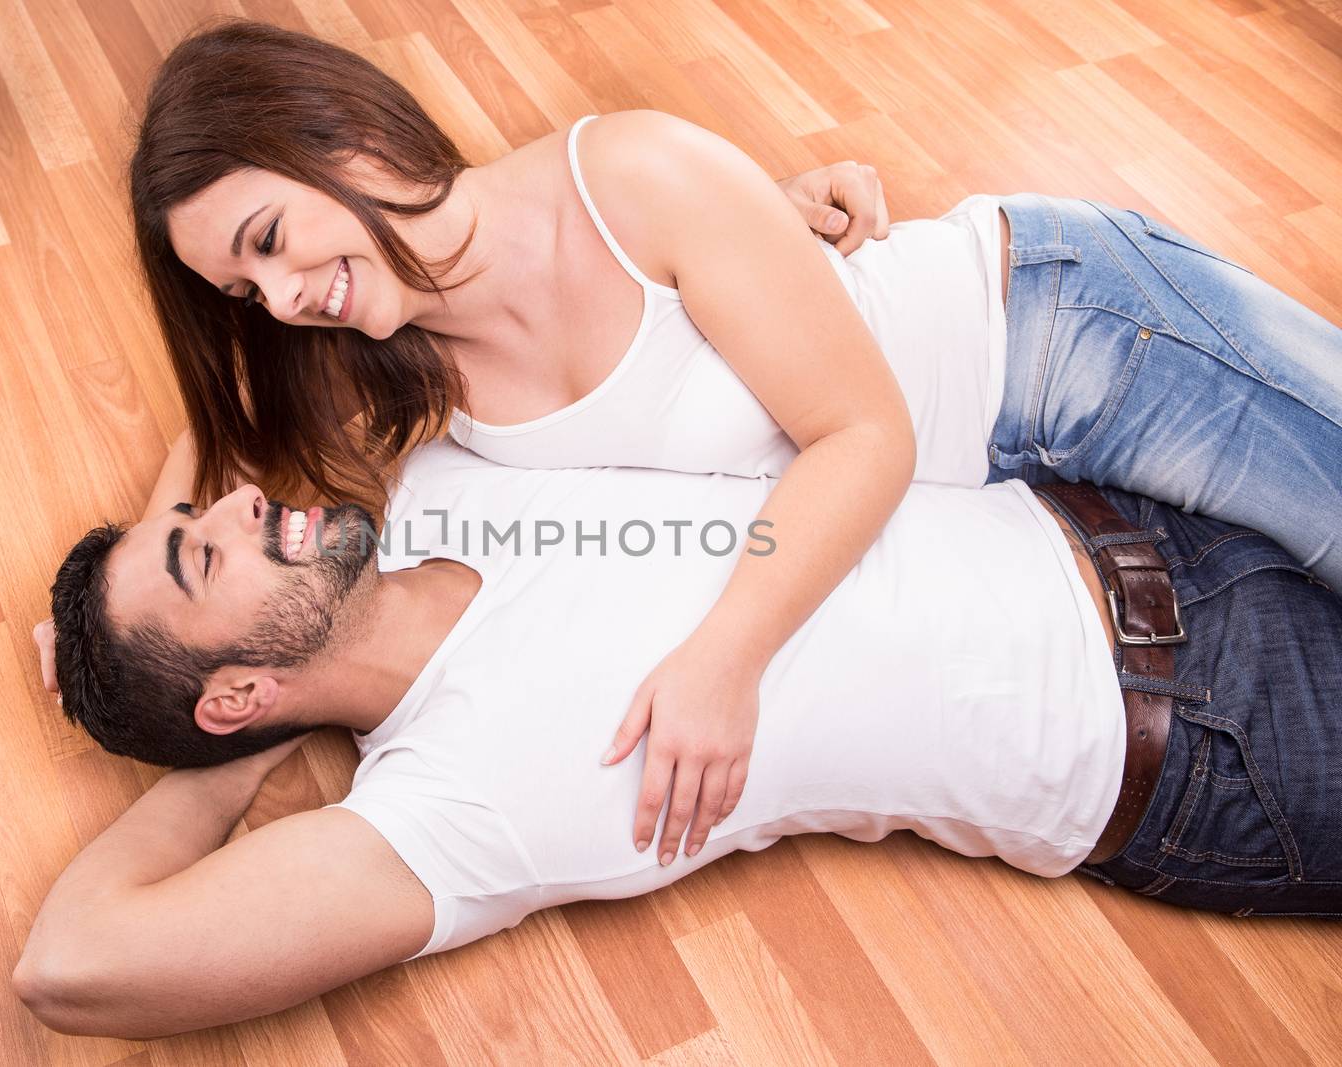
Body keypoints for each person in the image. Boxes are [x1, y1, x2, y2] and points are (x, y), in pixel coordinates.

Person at [109, 19, 1342, 864]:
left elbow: (862, 433)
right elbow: (224, 437)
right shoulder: (402, 368)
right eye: (240, 287)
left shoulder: (628, 173)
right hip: (1019, 499)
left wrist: (722, 660)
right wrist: (112, 609)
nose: (276, 299)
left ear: (342, 141)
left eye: (269, 238)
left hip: (1069, 337)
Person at [15, 440, 1340, 1039]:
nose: (242, 496)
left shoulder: (444, 478)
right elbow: (72, 961)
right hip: (1212, 731)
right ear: (235, 693)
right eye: (201, 547)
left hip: (1132, 493)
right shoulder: (451, 804)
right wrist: (227, 757)